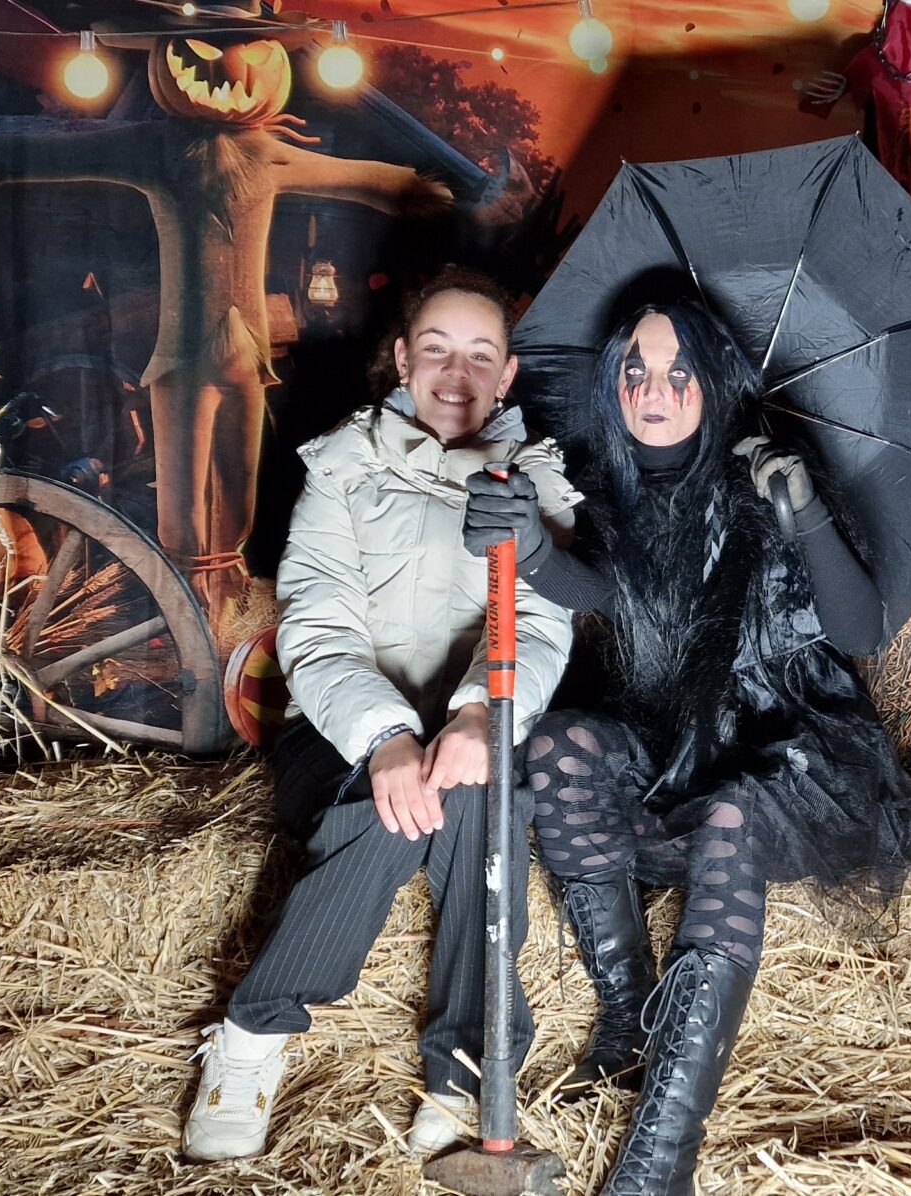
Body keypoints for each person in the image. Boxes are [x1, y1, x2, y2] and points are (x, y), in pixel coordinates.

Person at [462, 300, 911, 1194]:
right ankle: (626, 1018)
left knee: (730, 811)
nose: (655, 391)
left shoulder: (771, 473)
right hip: (677, 746)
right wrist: (526, 546)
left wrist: (803, 513)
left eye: (679, 372)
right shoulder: (615, 486)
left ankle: (661, 1160)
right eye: (636, 371)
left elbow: (859, 631)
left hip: (789, 755)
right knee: (560, 745)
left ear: (714, 382)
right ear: (613, 385)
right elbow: (599, 589)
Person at [182, 270, 578, 1162]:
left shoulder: (536, 482)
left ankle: (465, 1069)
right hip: (339, 735)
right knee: (406, 807)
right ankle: (252, 1035)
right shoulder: (341, 468)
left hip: (470, 729)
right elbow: (320, 630)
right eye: (436, 349)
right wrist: (389, 738)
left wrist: (480, 716)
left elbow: (539, 626)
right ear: (402, 359)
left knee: (477, 798)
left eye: (480, 354)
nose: (456, 373)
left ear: (507, 374)